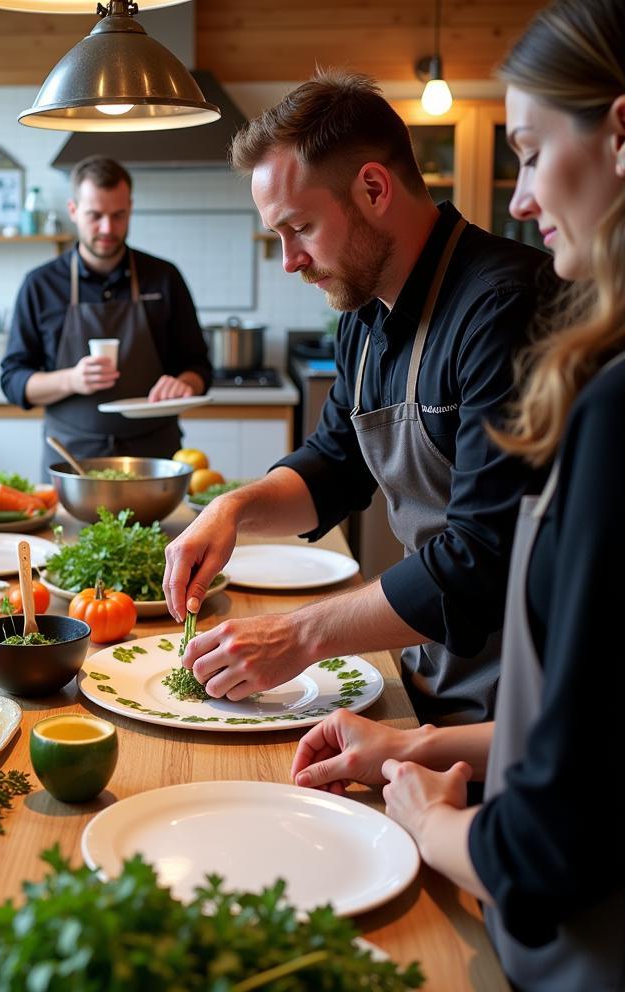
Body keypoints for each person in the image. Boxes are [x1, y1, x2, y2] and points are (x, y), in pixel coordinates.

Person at [292, 3, 625, 992]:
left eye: (527, 151)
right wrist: (420, 748)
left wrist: (432, 823)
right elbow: (603, 730)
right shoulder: (364, 325)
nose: (520, 198)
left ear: (618, 135)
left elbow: (550, 847)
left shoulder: (572, 369)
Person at [163, 71, 555, 726]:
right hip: (429, 673)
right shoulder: (363, 318)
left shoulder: (504, 307)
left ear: (373, 189)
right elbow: (334, 465)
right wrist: (232, 508)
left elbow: (481, 559)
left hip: (520, 705)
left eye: (301, 227)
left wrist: (298, 636)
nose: (289, 260)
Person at [0, 156, 212, 478]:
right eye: (95, 216)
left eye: (118, 215)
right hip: (71, 459)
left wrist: (184, 384)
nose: (107, 229)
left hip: (155, 459)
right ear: (73, 210)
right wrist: (71, 380)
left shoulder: (164, 278)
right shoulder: (40, 285)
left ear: (131, 208)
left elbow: (199, 366)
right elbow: (13, 381)